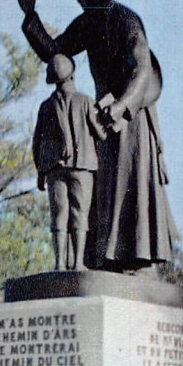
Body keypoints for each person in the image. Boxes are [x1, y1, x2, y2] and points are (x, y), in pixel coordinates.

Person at [18, 0, 178, 270]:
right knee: (99, 182)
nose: (82, 4)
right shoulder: (89, 22)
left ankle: (136, 259)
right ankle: (103, 258)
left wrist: (120, 107)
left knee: (129, 183)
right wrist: (31, 17)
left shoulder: (127, 20)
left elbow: (142, 69)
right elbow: (56, 52)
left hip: (132, 114)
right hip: (103, 117)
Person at [32, 53, 106, 272]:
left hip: (54, 168)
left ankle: (60, 263)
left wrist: (40, 171)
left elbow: (37, 142)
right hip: (82, 167)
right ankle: (78, 263)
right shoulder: (86, 102)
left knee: (59, 215)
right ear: (72, 75)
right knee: (79, 214)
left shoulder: (46, 106)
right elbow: (101, 134)